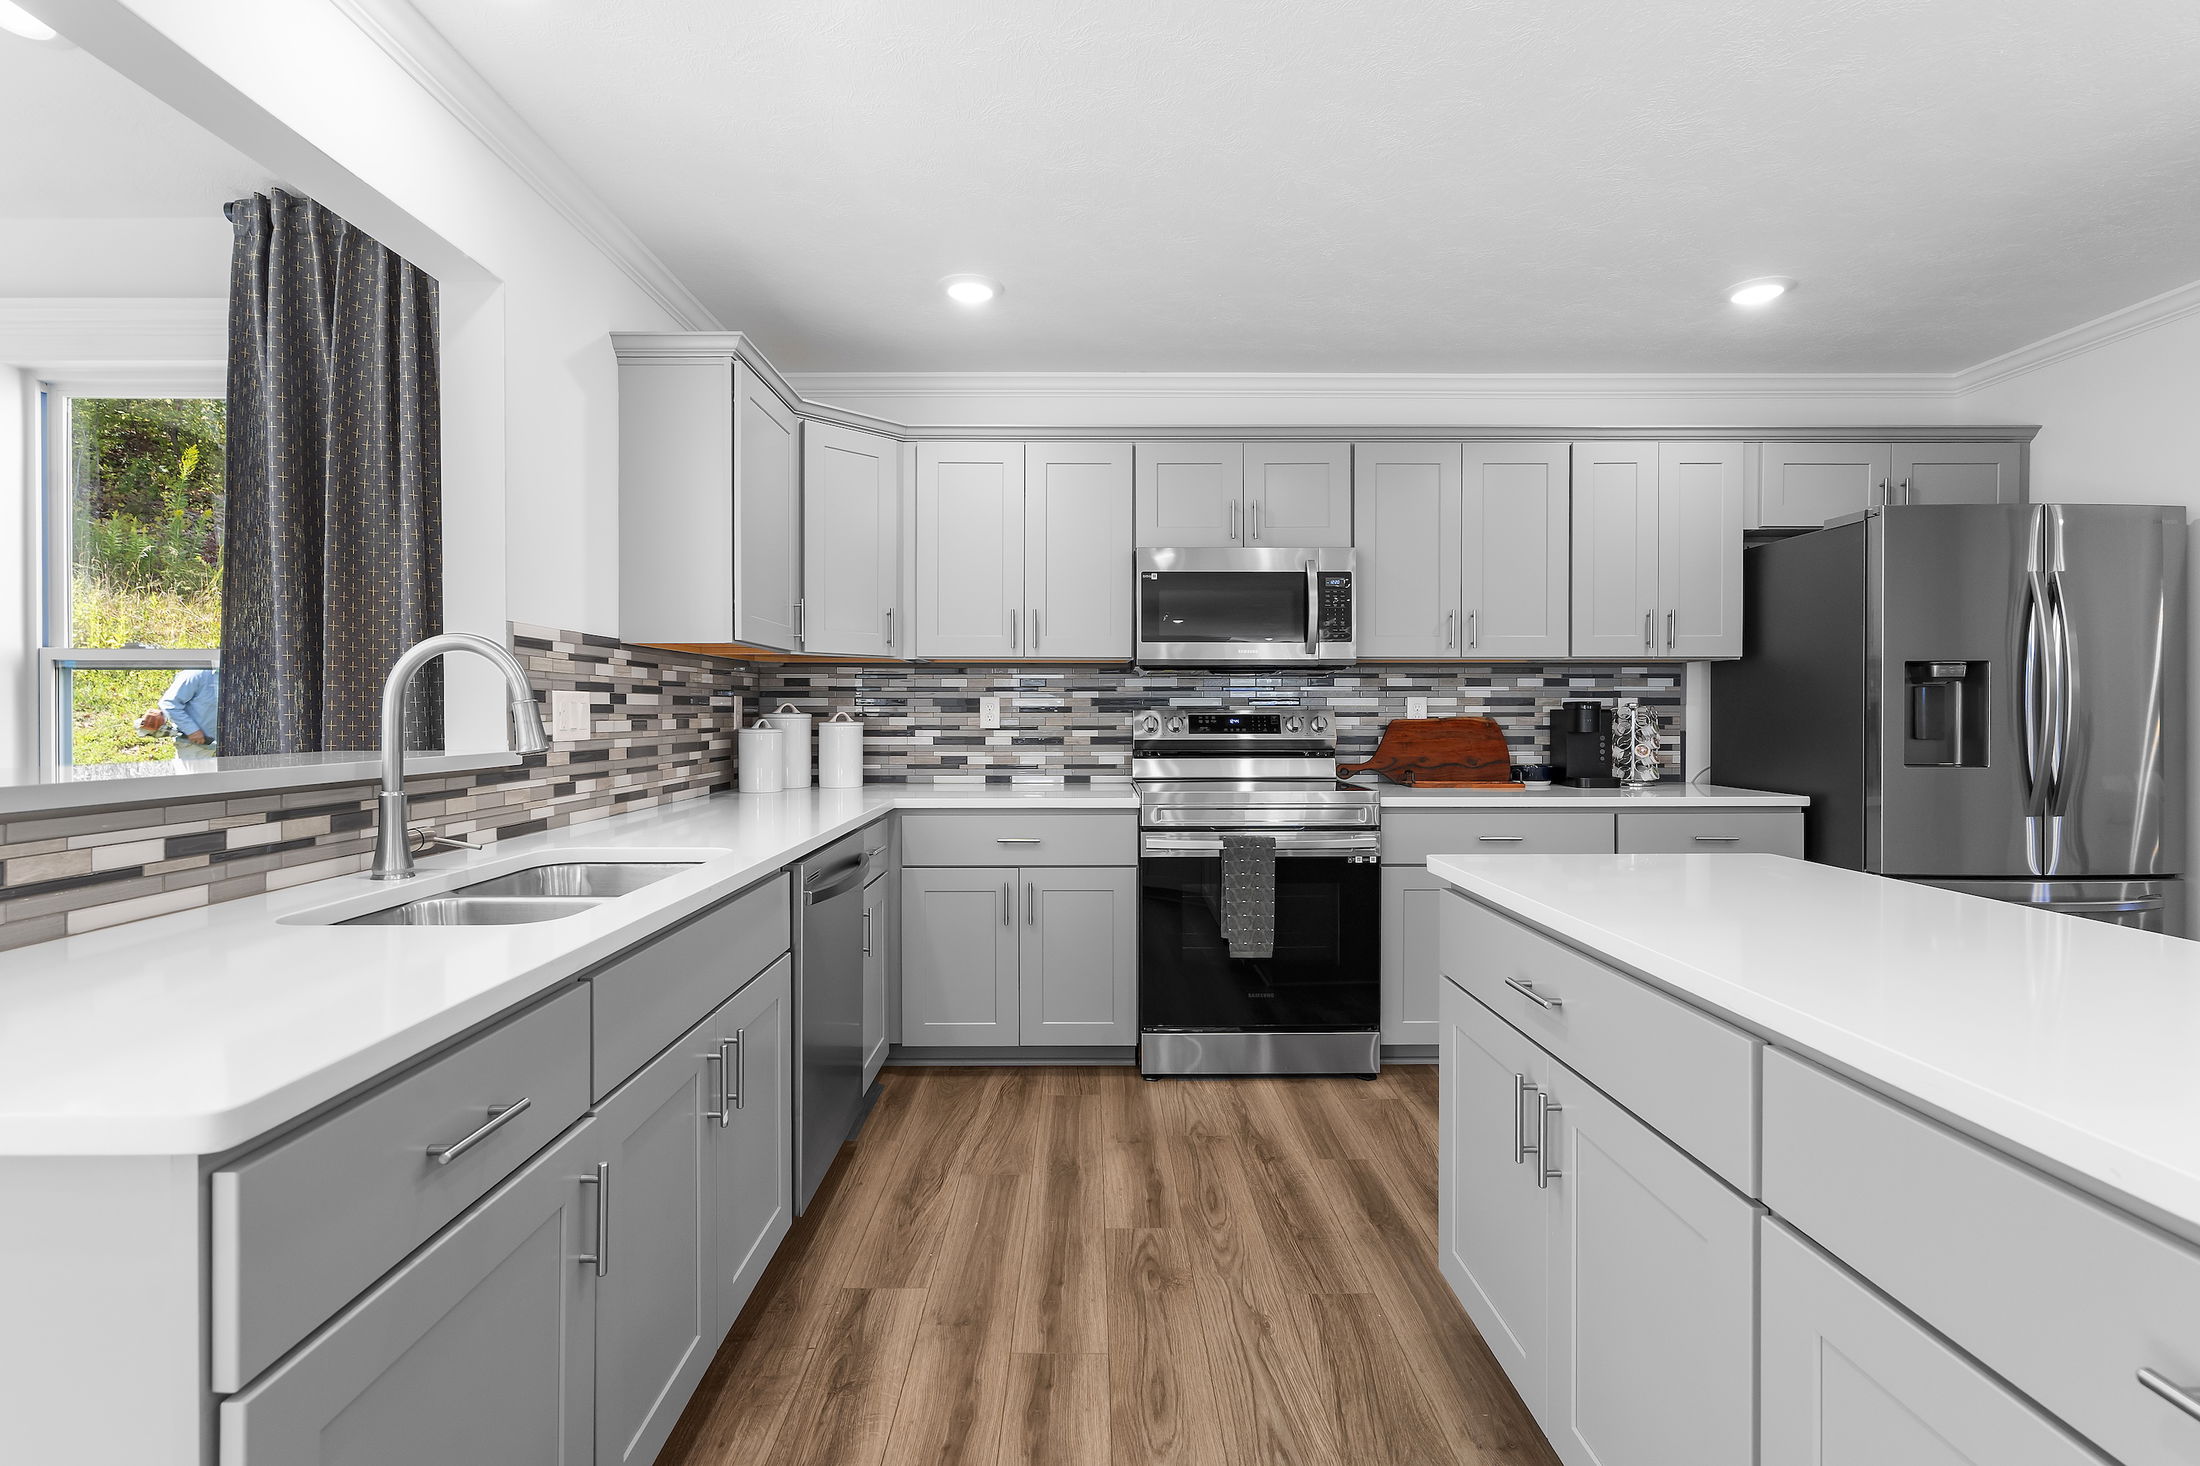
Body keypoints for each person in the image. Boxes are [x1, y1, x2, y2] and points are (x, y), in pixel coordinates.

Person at [138, 668, 220, 760]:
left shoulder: (234, 675)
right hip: (196, 749)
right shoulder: (196, 673)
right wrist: (192, 730)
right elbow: (169, 704)